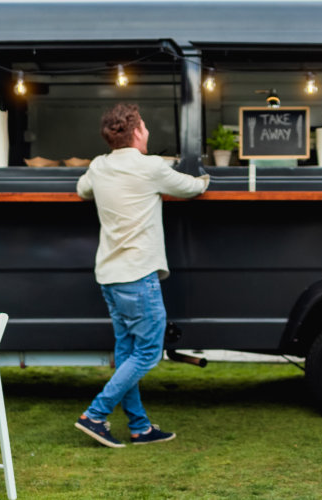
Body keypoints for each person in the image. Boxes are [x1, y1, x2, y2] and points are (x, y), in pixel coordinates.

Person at [70, 102, 209, 448]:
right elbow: (192, 187)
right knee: (148, 352)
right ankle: (95, 414)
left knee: (128, 351)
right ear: (136, 132)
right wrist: (206, 177)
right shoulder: (150, 167)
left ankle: (140, 427)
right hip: (138, 275)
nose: (147, 132)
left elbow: (81, 189)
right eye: (144, 127)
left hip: (110, 276)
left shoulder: (100, 166)